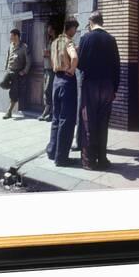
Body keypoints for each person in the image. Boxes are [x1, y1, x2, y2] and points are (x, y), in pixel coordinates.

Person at [77, 11, 120, 170]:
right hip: (108, 86)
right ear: (102, 21)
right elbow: (117, 66)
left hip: (90, 86)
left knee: (89, 122)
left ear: (90, 22)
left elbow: (80, 64)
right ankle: (102, 159)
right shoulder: (111, 39)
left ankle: (88, 161)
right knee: (103, 123)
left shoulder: (85, 39)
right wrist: (114, 88)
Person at [46, 18, 79, 166]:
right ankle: (61, 158)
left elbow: (52, 62)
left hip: (56, 80)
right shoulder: (68, 42)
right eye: (75, 29)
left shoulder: (54, 43)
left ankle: (52, 151)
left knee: (56, 117)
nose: (75, 32)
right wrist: (72, 70)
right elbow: (74, 57)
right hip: (67, 81)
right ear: (70, 28)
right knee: (67, 119)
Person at [0, 28, 31, 119]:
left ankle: (9, 111)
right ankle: (15, 88)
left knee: (13, 93)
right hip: (9, 71)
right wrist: (6, 68)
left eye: (11, 36)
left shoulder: (24, 47)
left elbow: (29, 61)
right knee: (2, 83)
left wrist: (24, 71)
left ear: (16, 36)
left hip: (17, 73)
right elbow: (7, 57)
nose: (10, 38)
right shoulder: (11, 45)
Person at [38, 21, 58, 121]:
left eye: (49, 29)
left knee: (49, 90)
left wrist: (48, 54)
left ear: (53, 29)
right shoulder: (50, 40)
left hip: (52, 69)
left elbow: (58, 55)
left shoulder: (57, 41)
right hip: (46, 68)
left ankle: (50, 113)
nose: (48, 31)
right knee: (47, 91)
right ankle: (48, 112)